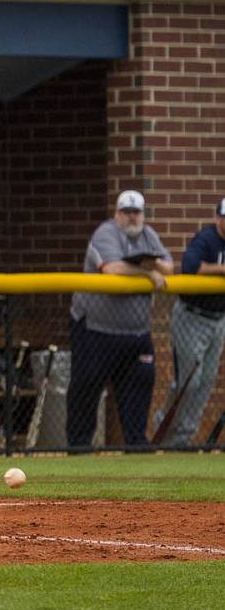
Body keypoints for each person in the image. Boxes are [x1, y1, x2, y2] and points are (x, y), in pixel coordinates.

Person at [68, 190, 172, 447]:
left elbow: (169, 266)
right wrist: (148, 272)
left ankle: (136, 445)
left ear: (143, 214)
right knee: (87, 387)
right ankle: (79, 447)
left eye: (136, 212)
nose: (131, 218)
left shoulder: (149, 235)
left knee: (139, 385)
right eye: (126, 212)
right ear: (117, 213)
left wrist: (151, 266)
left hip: (135, 332)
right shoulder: (106, 233)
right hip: (95, 328)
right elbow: (112, 269)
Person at [162, 199, 225, 445]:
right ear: (218, 218)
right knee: (189, 380)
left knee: (206, 381)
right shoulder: (206, 239)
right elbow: (189, 266)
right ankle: (164, 433)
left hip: (219, 320)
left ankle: (183, 440)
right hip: (192, 316)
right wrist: (221, 269)